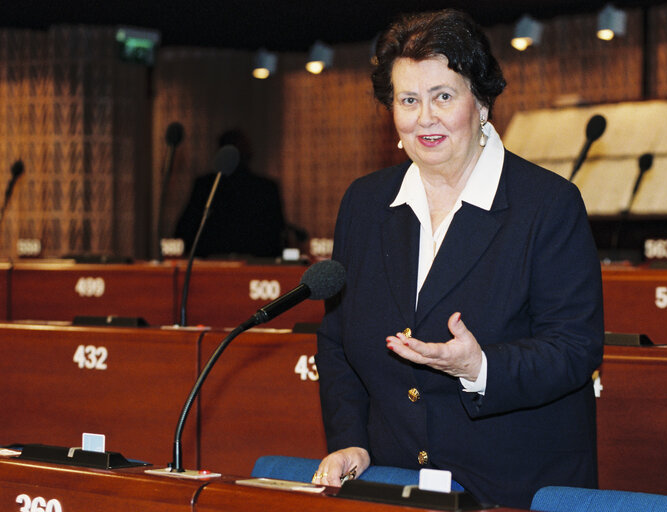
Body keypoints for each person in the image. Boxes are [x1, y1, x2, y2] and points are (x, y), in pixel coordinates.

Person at [312, 9, 604, 509]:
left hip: (515, 489)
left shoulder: (548, 204)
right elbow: (337, 343)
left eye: (442, 96)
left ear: (482, 102)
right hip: (393, 485)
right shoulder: (364, 204)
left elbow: (575, 349)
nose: (424, 117)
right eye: (408, 100)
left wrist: (480, 366)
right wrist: (350, 439)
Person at [174, 129, 286, 258]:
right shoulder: (207, 186)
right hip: (212, 266)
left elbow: (277, 235)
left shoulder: (265, 188)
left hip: (255, 266)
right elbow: (186, 230)